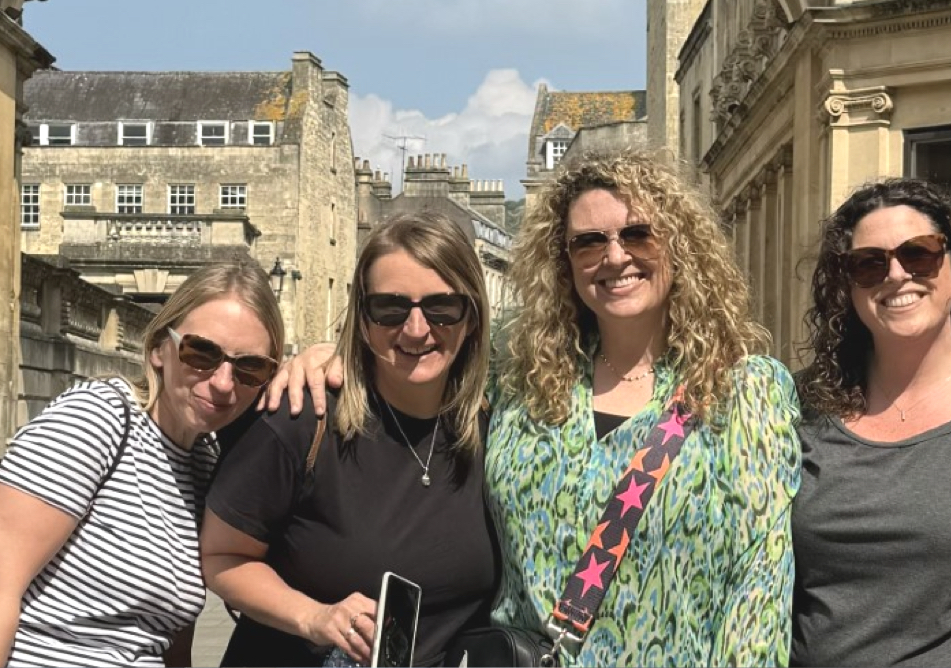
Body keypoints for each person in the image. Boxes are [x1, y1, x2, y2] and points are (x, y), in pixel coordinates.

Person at [270, 149, 802, 667]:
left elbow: (759, 588)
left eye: (637, 233)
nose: (614, 257)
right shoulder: (520, 381)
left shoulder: (745, 391)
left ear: (680, 245)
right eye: (588, 242)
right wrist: (330, 357)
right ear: (563, 262)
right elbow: (418, 357)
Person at [200, 212, 498, 667]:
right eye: (390, 308)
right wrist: (314, 617)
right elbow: (221, 556)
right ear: (362, 318)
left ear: (472, 317)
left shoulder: (492, 431)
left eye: (442, 307)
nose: (416, 329)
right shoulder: (303, 418)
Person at [0, 260, 285, 667]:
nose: (223, 383)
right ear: (158, 348)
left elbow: (168, 639)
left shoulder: (205, 464)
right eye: (201, 353)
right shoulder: (97, 420)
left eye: (249, 367)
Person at [791, 177, 951, 666]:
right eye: (869, 264)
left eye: (919, 254)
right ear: (848, 288)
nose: (896, 275)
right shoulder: (798, 411)